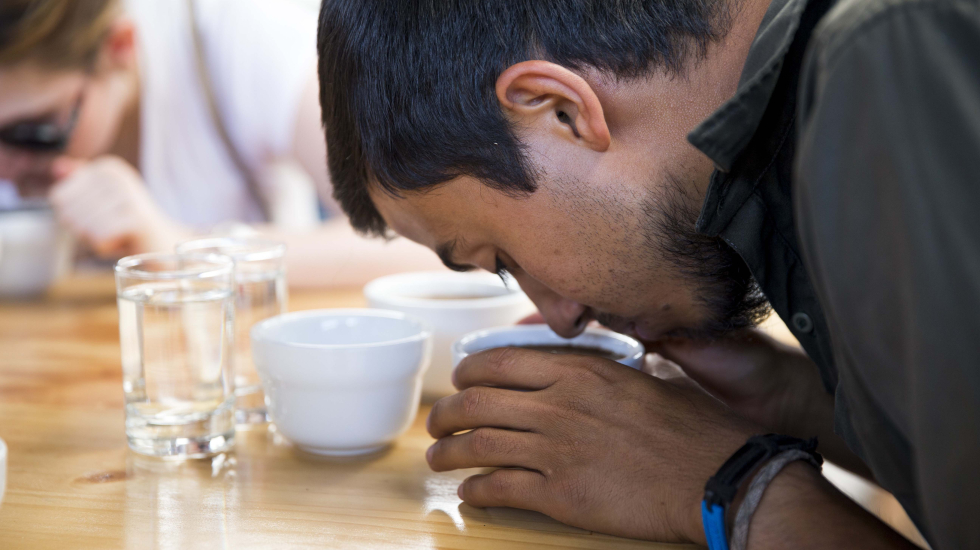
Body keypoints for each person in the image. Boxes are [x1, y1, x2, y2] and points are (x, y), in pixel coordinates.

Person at [315, 0, 980, 548]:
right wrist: (791, 396)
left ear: (560, 110)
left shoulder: (886, 61)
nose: (561, 317)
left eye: (503, 258)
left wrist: (735, 485)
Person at [0, 0, 442, 287]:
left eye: (32, 132)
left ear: (119, 47)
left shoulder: (229, 35)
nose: (6, 168)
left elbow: (419, 239)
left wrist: (182, 250)